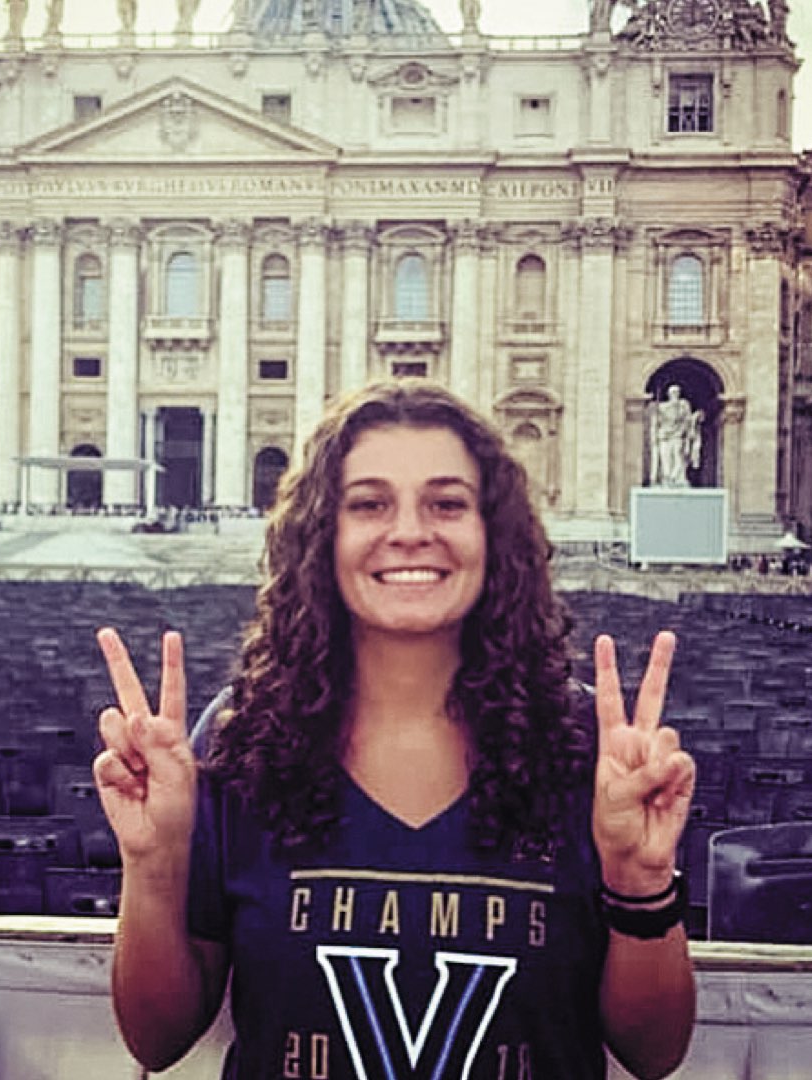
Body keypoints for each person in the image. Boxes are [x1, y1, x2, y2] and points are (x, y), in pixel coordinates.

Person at [94, 380, 697, 1078]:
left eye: (446, 503)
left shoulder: (589, 752)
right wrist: (152, 865)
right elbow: (155, 1039)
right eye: (369, 504)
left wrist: (640, 882)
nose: (410, 531)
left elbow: (654, 1055)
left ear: (492, 534)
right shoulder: (240, 738)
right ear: (324, 535)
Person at [649, 384, 702, 488]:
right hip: (664, 436)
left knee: (678, 456)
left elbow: (688, 420)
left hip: (678, 435)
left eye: (677, 392)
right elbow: (656, 422)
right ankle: (666, 478)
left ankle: (676, 478)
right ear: (668, 394)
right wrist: (654, 436)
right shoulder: (662, 407)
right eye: (673, 392)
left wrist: (695, 418)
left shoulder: (684, 406)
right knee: (665, 457)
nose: (675, 394)